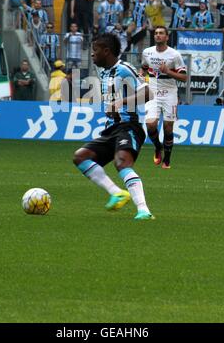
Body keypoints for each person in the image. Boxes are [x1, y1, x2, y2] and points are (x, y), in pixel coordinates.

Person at [73, 33, 154, 220]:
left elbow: (149, 93)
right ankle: (116, 192)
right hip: (111, 128)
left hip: (129, 126)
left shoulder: (125, 69)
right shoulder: (104, 72)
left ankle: (144, 210)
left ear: (107, 51)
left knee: (122, 162)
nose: (92, 55)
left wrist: (121, 102)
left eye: (95, 50)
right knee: (80, 157)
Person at [142, 26, 187, 169]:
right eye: (156, 33)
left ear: (167, 37)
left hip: (169, 93)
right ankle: (157, 146)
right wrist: (141, 77)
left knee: (168, 128)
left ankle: (167, 159)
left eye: (161, 33)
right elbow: (143, 68)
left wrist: (168, 71)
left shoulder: (174, 55)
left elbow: (184, 77)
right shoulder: (147, 52)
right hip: (152, 92)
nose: (158, 35)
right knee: (150, 124)